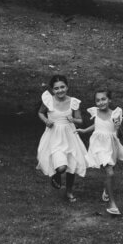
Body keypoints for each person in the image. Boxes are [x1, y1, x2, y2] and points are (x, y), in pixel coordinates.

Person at [36, 73, 88, 203]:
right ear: (52, 90)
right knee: (62, 167)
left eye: (62, 87)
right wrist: (46, 121)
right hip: (54, 136)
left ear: (67, 87)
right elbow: (40, 113)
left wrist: (73, 119)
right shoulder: (48, 101)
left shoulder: (73, 102)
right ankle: (56, 175)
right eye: (56, 88)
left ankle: (69, 191)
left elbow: (80, 120)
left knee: (72, 165)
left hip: (70, 136)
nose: (60, 90)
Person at [78, 87, 123, 216]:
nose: (101, 103)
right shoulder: (95, 112)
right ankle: (112, 204)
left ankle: (106, 189)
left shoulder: (116, 114)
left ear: (109, 100)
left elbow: (119, 135)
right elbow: (97, 125)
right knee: (110, 173)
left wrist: (118, 127)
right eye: (98, 100)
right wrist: (84, 130)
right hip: (98, 145)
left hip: (112, 145)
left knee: (110, 171)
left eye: (103, 99)